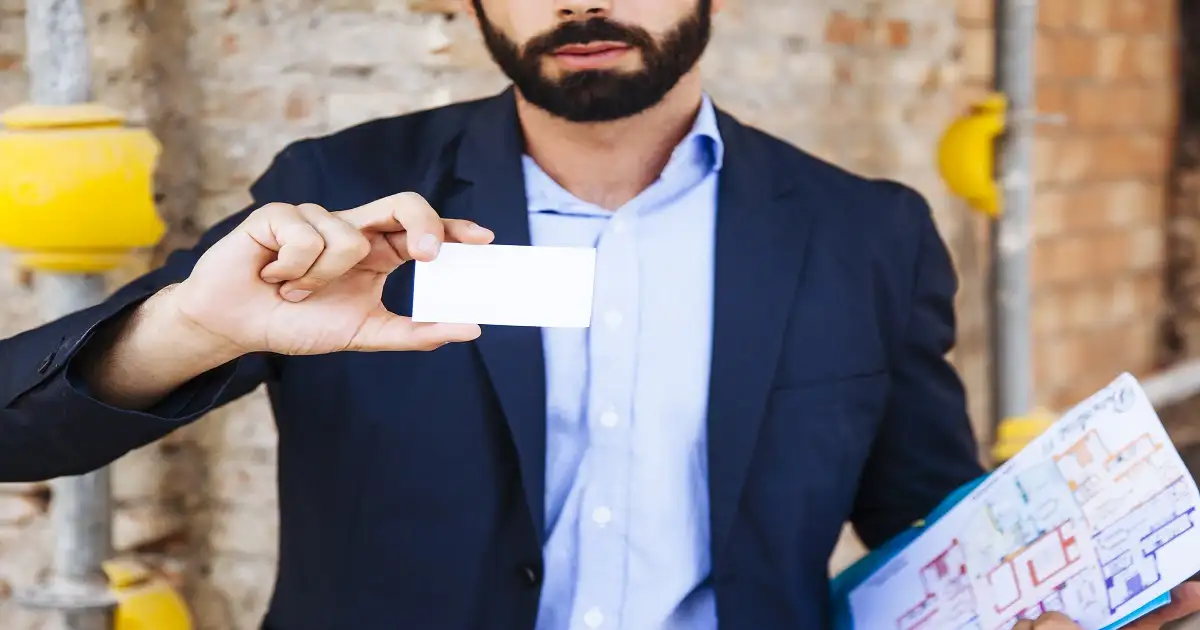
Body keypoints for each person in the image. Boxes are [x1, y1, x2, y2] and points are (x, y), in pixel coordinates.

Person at [1, 0, 1196, 628]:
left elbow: (921, 531)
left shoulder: (862, 232)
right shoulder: (343, 190)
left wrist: (1072, 595)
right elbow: (19, 434)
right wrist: (202, 326)